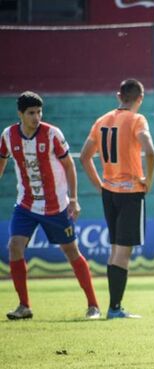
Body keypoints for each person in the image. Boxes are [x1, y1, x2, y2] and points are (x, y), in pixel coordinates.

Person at [0, 91, 100, 320]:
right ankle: (24, 306)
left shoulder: (52, 134)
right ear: (20, 114)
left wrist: (73, 199)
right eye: (31, 113)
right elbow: (1, 160)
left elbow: (69, 166)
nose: (36, 117)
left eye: (39, 112)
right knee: (15, 246)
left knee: (71, 251)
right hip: (25, 204)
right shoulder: (8, 135)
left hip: (55, 206)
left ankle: (93, 305)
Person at [80, 79, 154, 319]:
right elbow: (151, 151)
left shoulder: (101, 121)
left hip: (109, 192)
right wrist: (148, 181)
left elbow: (84, 157)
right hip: (130, 192)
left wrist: (99, 185)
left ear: (118, 96)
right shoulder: (137, 120)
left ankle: (114, 307)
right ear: (140, 99)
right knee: (123, 253)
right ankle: (115, 309)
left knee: (115, 250)